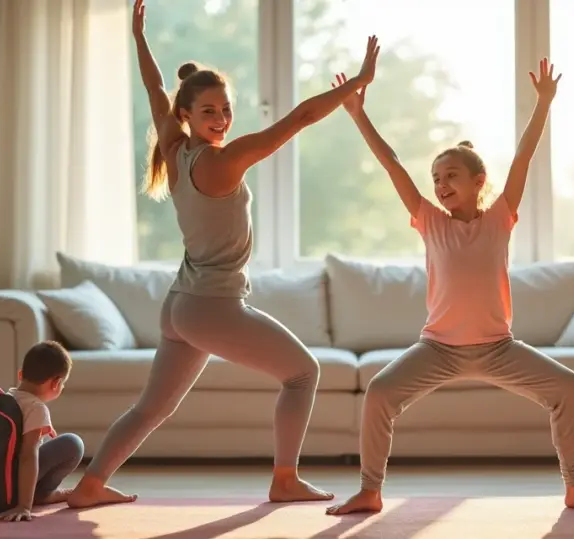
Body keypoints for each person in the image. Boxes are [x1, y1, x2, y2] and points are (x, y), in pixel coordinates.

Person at [66, 0, 380, 509]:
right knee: (304, 373)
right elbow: (300, 117)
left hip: (181, 305)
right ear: (186, 115)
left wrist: (139, 39)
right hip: (211, 306)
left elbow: (153, 89)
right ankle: (284, 478)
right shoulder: (224, 161)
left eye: (225, 109)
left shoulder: (174, 149)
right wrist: (359, 79)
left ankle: (90, 484)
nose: (221, 118)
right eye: (209, 111)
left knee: (151, 408)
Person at [324, 58, 574, 515]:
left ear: (477, 182)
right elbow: (391, 164)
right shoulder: (429, 221)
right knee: (381, 394)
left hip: (498, 349)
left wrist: (543, 104)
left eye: (451, 176)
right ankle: (370, 490)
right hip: (439, 348)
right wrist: (358, 114)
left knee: (567, 387)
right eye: (436, 179)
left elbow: (523, 156)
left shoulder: (500, 217)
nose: (440, 185)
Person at [0, 341, 85, 522]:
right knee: (72, 443)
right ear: (56, 383)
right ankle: (41, 495)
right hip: (10, 488)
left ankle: (33, 494)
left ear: (20, 374)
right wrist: (24, 506)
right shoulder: (35, 408)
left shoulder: (2, 399)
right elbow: (28, 455)